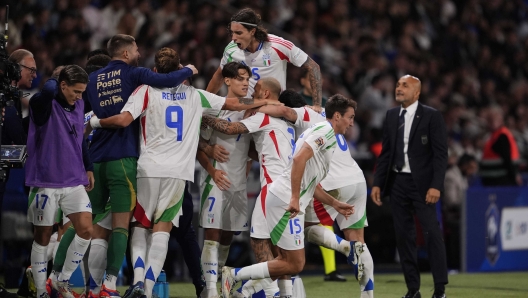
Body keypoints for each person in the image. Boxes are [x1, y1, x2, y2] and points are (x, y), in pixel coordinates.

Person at [89, 47, 274, 298]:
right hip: (178, 172)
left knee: (141, 227)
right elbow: (233, 102)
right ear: (179, 71)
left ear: (155, 71)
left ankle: (138, 282)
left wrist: (93, 121)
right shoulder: (195, 95)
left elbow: (124, 119)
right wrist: (265, 101)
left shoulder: (144, 90)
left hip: (147, 168)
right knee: (162, 230)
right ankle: (150, 289)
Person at [84, 34, 197, 298]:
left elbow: (88, 114)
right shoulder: (136, 76)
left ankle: (87, 286)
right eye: (135, 48)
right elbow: (167, 80)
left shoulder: (91, 80)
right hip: (124, 158)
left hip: (95, 157)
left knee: (99, 227)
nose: (138, 52)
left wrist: (93, 124)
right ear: (125, 54)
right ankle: (111, 287)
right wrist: (188, 69)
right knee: (126, 226)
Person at [219, 94, 357, 298]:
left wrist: (334, 203)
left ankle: (245, 288)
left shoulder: (324, 134)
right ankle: (235, 276)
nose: (352, 123)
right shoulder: (325, 131)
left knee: (286, 260)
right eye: (350, 117)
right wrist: (294, 198)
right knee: (294, 263)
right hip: (285, 199)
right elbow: (299, 159)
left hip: (285, 198)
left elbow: (309, 183)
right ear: (337, 116)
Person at [250, 90, 374, 297]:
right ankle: (367, 293)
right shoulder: (331, 117)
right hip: (357, 180)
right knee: (359, 240)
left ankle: (343, 249)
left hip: (332, 182)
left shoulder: (309, 117)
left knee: (301, 229)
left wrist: (251, 105)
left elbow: (284, 111)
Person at [201, 77, 296, 298]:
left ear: (264, 94)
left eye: (257, 89)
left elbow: (231, 128)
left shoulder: (263, 116)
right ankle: (278, 292)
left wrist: (203, 116)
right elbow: (258, 151)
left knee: (259, 240)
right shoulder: (289, 120)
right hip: (292, 186)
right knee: (280, 245)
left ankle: (240, 277)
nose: (252, 91)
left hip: (273, 187)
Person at [371, 75, 448, 298]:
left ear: (417, 93)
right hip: (397, 184)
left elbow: (440, 155)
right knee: (404, 237)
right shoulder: (392, 115)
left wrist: (436, 186)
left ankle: (440, 288)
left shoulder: (432, 116)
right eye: (397, 84)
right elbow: (386, 153)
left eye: (405, 85)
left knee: (432, 234)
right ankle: (413, 289)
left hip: (423, 185)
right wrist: (378, 183)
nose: (399, 88)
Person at [26, 65, 94, 298]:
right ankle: (41, 292)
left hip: (74, 179)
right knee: (43, 237)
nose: (79, 97)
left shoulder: (80, 104)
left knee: (86, 230)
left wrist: (88, 167)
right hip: (46, 181)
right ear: (62, 86)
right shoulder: (43, 104)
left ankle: (60, 279)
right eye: (75, 91)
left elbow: (79, 139)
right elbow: (47, 91)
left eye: (82, 92)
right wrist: (56, 78)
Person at [196, 62, 253, 298]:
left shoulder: (254, 109)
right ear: (227, 81)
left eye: (248, 79)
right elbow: (197, 144)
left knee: (228, 235)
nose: (245, 83)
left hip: (239, 182)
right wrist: (211, 165)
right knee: (213, 233)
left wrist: (248, 166)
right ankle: (209, 290)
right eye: (240, 78)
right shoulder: (215, 108)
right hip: (216, 179)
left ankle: (220, 284)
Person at [206, 8, 324, 112]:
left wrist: (317, 104)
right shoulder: (231, 49)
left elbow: (313, 67)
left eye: (238, 33)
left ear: (252, 31)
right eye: (232, 32)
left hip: (272, 110)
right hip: (242, 109)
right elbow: (219, 77)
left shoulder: (277, 46)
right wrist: (205, 103)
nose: (233, 38)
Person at [443, 154, 478, 269]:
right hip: (452, 216)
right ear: (464, 166)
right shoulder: (451, 176)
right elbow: (451, 201)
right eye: (471, 167)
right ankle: (454, 266)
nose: (472, 171)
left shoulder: (463, 177)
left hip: (463, 215)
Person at [480, 106, 521, 186]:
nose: (490, 122)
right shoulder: (493, 135)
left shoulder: (502, 136)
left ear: (500, 120)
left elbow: (507, 158)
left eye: (493, 119)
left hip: (501, 181)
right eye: (489, 119)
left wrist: (514, 175)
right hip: (494, 180)